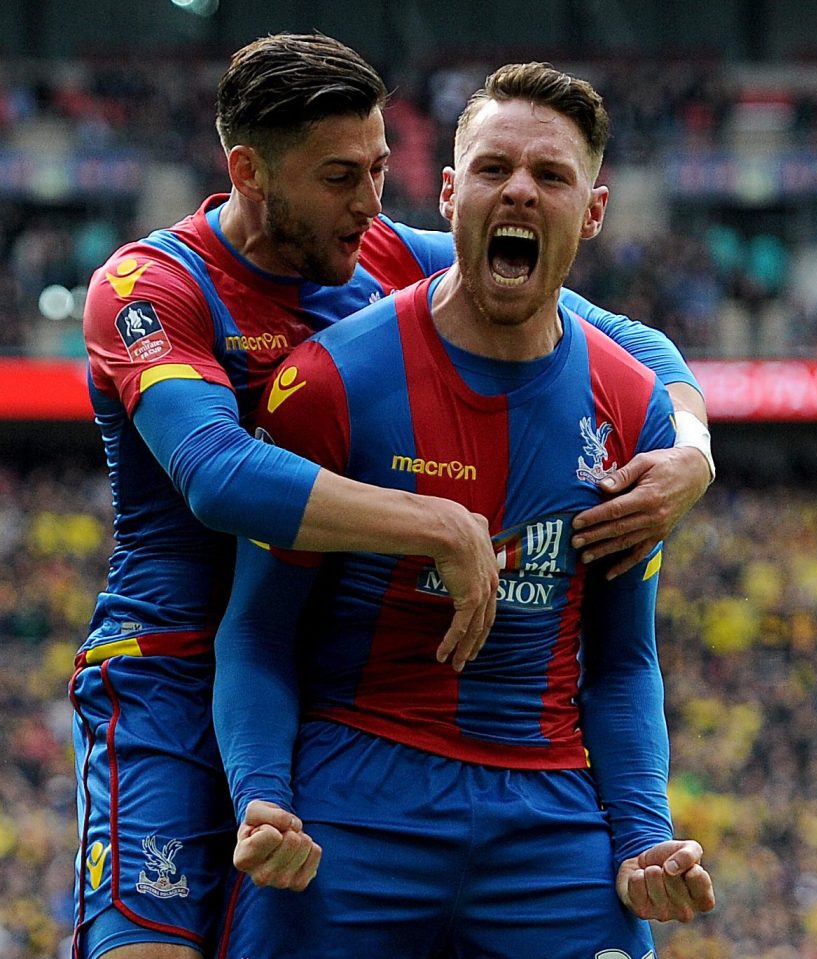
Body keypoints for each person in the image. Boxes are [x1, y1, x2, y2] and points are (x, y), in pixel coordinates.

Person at [71, 33, 712, 959]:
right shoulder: (153, 287)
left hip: (320, 663)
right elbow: (215, 472)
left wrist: (688, 447)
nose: (374, 202)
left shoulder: (369, 246)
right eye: (341, 177)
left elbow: (621, 339)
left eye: (377, 168)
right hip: (173, 670)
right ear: (249, 172)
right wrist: (437, 523)